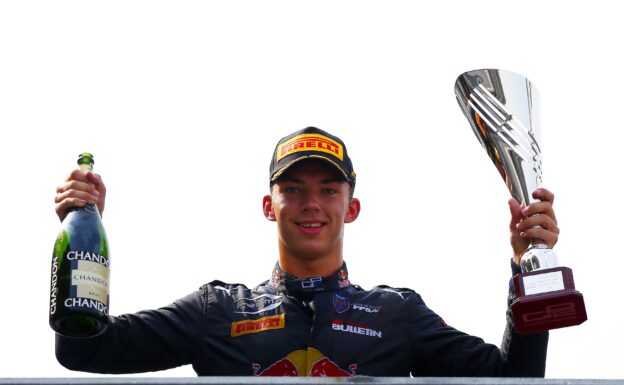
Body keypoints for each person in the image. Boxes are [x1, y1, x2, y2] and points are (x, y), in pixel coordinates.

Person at [53, 127, 558, 377]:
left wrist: (526, 267)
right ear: (269, 206)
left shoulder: (395, 312)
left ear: (352, 207)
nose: (311, 204)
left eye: (328, 190)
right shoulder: (219, 310)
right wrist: (82, 232)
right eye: (292, 189)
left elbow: (515, 381)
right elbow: (83, 350)